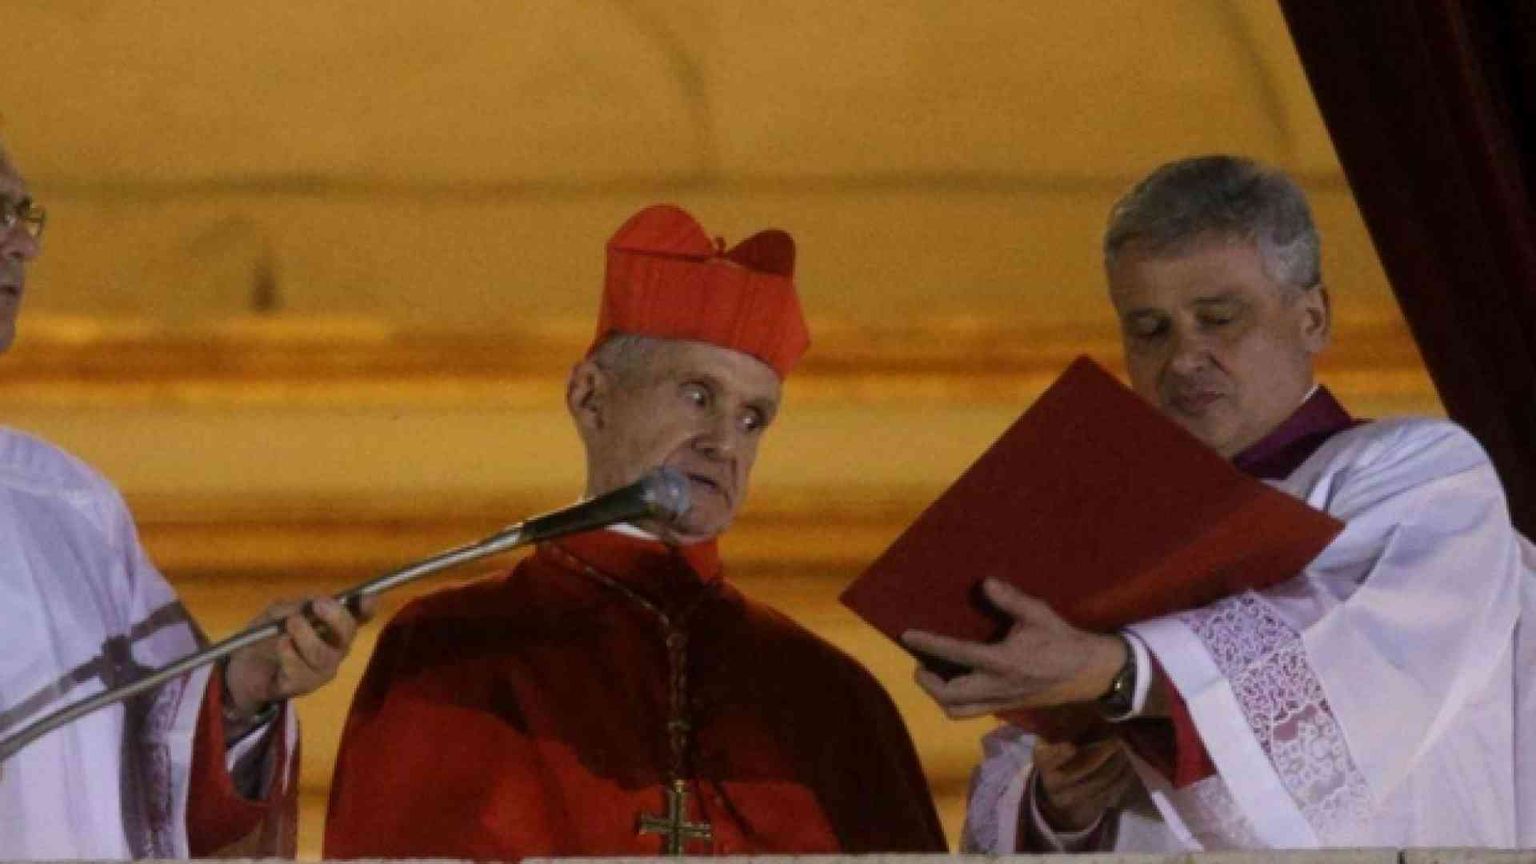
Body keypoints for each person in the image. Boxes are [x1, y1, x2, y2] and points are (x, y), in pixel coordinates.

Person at [903, 155, 1536, 851]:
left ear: (1313, 318)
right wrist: (1060, 800)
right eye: (1149, 330)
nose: (1182, 358)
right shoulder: (1098, 532)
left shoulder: (1420, 474)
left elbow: (1358, 666)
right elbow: (1019, 782)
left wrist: (1118, 672)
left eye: (1218, 318)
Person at [324, 203, 947, 857]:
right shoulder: (448, 653)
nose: (723, 444)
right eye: (699, 395)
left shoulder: (831, 694)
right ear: (591, 397)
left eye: (753, 418)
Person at [0, 139, 371, 858]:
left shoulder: (70, 504)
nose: (21, 245)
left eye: (24, 216)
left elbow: (161, 760)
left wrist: (241, 689)